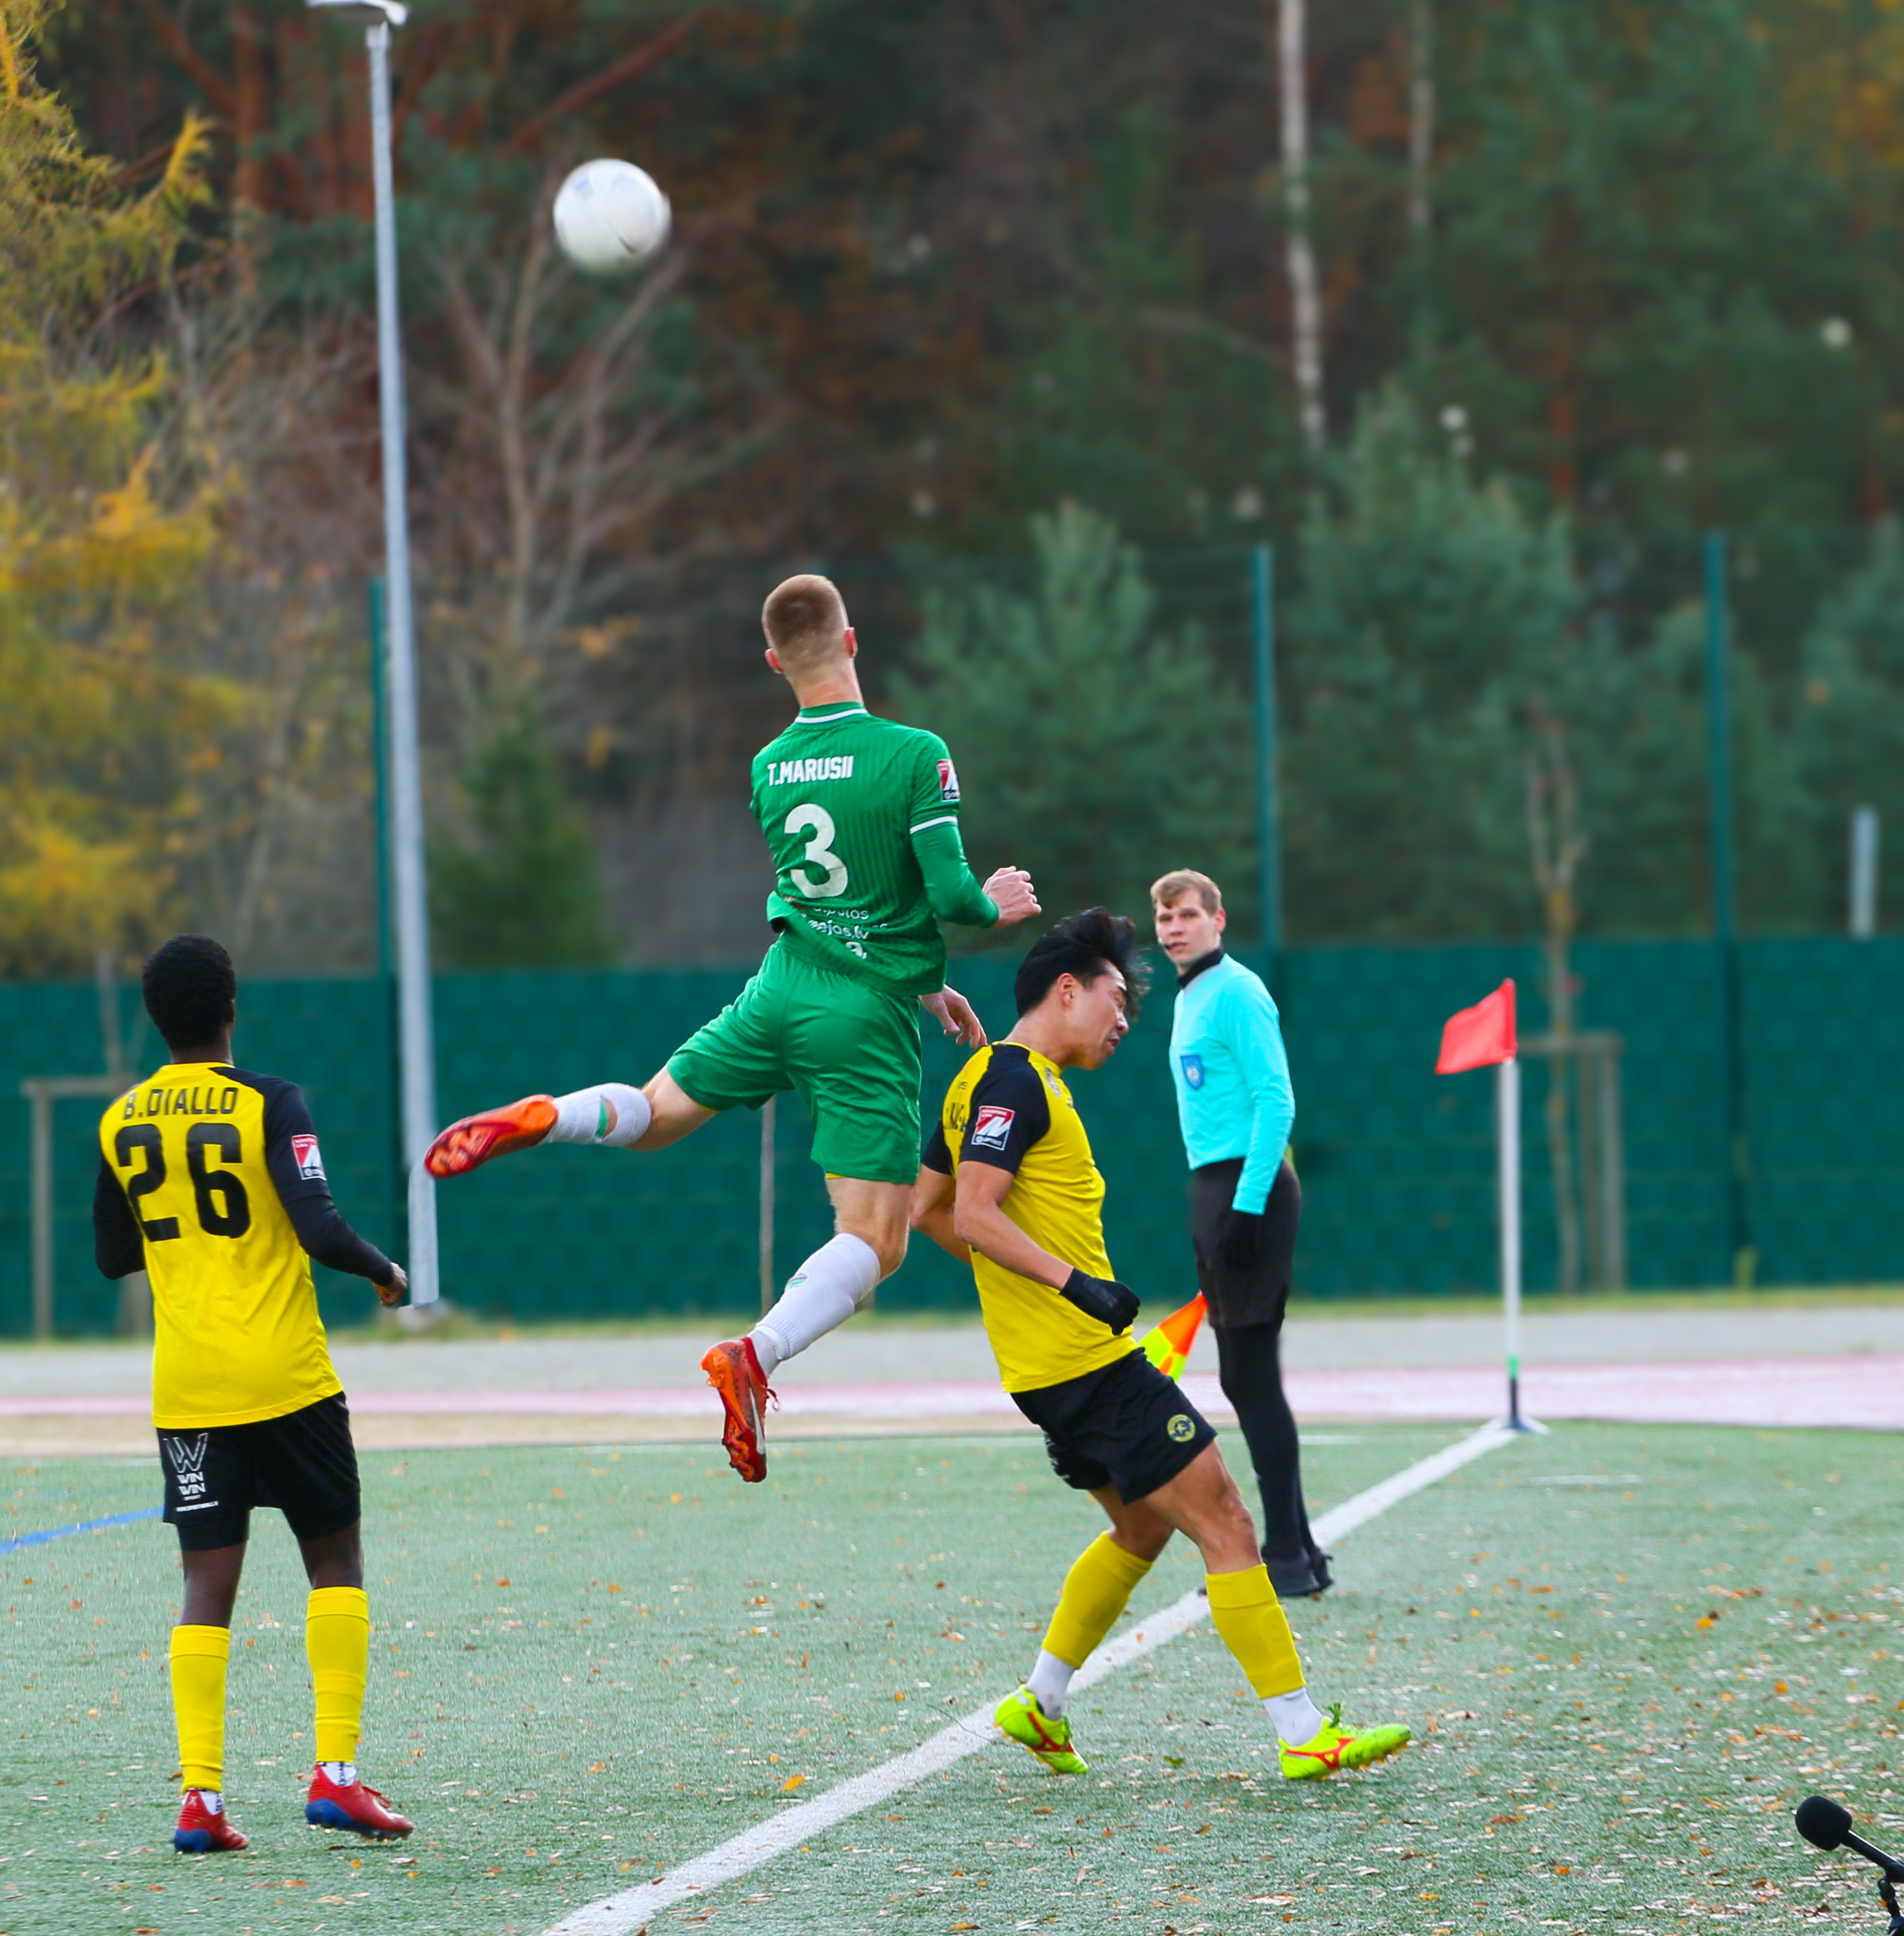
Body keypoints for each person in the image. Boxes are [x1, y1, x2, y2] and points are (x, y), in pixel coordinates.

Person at [420, 572, 1039, 1482]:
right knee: (880, 1233)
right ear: (853, 641)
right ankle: (757, 1352)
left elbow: (840, 905)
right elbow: (943, 895)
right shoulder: (915, 753)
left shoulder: (768, 767)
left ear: (772, 662)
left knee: (653, 1112)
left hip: (779, 987)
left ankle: (553, 1114)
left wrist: (925, 982)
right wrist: (999, 905)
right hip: (858, 1019)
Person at [910, 908, 1408, 1782]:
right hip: (1087, 1362)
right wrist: (1074, 1287)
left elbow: (932, 1211)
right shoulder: (1011, 1080)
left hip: (1049, 1366)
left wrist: (1036, 1286)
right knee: (1226, 1519)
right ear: (1067, 989)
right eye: (1114, 995)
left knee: (1141, 1528)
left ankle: (1040, 1700)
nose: (1124, 1018)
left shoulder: (983, 1080)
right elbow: (971, 1214)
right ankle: (1300, 1731)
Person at [95, 934, 415, 1855]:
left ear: (158, 1018)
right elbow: (316, 1223)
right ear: (231, 1004)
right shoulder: (271, 1101)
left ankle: (200, 1797)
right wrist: (386, 1270)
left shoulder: (121, 1120)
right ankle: (337, 1777)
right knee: (334, 1563)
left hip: (189, 1388)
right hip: (286, 1375)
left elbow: (113, 1253)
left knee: (205, 1584)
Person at [1152, 868, 1328, 1599]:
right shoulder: (1191, 994)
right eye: (1162, 918)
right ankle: (1300, 1552)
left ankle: (1282, 1556)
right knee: (1242, 1375)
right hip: (1213, 1185)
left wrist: (1247, 1208)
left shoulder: (1236, 991)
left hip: (1243, 1188)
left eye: (1186, 914)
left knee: (1250, 1377)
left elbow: (1275, 1101)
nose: (1172, 927)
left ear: (1217, 918)